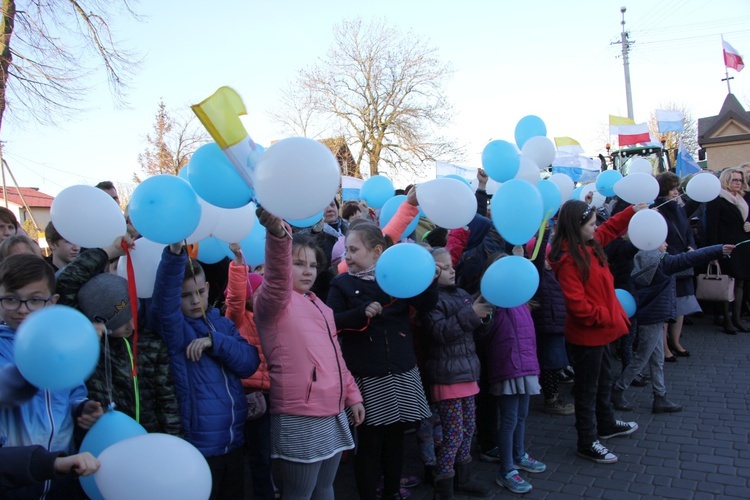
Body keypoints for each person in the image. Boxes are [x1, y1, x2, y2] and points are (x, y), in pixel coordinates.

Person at [252, 209, 364, 500]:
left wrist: (352, 396)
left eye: (312, 265)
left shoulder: (321, 305)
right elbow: (276, 281)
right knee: (299, 493)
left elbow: (336, 359)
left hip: (333, 409)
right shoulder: (272, 303)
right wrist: (278, 238)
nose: (307, 271)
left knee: (325, 488)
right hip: (299, 413)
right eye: (298, 263)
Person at [327, 219, 438, 500]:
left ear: (377, 252)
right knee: (370, 442)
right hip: (368, 374)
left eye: (354, 250)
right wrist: (360, 312)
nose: (347, 256)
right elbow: (331, 322)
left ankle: (390, 492)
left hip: (401, 370)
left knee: (396, 439)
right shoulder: (341, 283)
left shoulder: (396, 277)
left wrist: (429, 278)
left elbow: (426, 305)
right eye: (346, 250)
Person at [149, 241, 260, 499]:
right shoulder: (175, 330)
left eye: (200, 291)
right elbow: (164, 301)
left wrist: (215, 342)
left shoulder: (221, 325)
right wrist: (175, 253)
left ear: (208, 288)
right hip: (200, 448)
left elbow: (249, 362)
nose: (195, 301)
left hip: (233, 441)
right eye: (186, 295)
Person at [549, 200, 649, 464]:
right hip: (588, 336)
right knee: (587, 389)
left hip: (601, 332)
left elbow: (611, 228)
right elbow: (578, 306)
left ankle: (605, 424)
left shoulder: (589, 244)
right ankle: (587, 440)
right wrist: (607, 315)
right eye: (592, 224)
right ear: (577, 227)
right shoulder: (570, 260)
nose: (597, 228)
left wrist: (632, 211)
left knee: (603, 381)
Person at [0, 254, 103, 498]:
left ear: (52, 301)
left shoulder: (60, 345)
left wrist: (83, 408)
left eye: (35, 300)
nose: (22, 309)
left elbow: (72, 392)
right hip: (13, 481)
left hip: (62, 476)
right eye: (11, 299)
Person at [55, 238, 182, 435]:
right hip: (108, 442)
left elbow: (167, 402)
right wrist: (109, 251)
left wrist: (175, 440)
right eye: (121, 321)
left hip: (151, 440)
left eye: (133, 315)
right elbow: (67, 282)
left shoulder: (152, 343)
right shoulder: (92, 348)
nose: (132, 326)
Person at [611, 241, 734, 414]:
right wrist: (718, 249)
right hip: (654, 317)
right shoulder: (661, 263)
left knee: (657, 359)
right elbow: (690, 258)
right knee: (642, 358)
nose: (667, 244)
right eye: (662, 240)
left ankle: (660, 396)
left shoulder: (642, 260)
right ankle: (618, 389)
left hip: (651, 316)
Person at [420, 248, 492, 499]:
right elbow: (439, 333)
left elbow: (473, 332)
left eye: (452, 266)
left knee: (468, 429)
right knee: (453, 435)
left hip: (468, 372)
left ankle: (464, 477)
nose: (452, 270)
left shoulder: (461, 294)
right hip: (448, 376)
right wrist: (471, 314)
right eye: (445, 267)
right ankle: (444, 485)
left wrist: (483, 317)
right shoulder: (430, 301)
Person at [484, 255, 546, 494]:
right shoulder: (493, 303)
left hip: (527, 367)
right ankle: (507, 469)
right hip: (507, 368)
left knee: (522, 415)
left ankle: (519, 455)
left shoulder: (523, 301)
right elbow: (486, 334)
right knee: (509, 419)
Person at [226, 242, 275, 500]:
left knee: (269, 452)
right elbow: (233, 299)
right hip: (249, 394)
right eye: (255, 292)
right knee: (258, 454)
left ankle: (271, 488)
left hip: (272, 394)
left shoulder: (273, 318)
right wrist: (238, 265)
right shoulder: (238, 318)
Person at [526, 234, 574, 416]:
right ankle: (551, 399)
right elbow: (537, 257)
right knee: (550, 365)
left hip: (556, 324)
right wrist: (543, 232)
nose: (549, 260)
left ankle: (554, 396)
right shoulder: (537, 274)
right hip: (547, 326)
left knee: (554, 364)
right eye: (545, 257)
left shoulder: (551, 273)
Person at [653, 173, 699, 359]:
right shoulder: (657, 208)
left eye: (676, 188)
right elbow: (659, 235)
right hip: (669, 259)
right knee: (667, 306)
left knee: (681, 303)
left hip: (683, 258)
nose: (676, 192)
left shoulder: (679, 208)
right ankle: (664, 347)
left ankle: (676, 341)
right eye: (672, 188)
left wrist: (692, 247)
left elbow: (687, 231)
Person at [704, 167, 750, 334]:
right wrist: (713, 252)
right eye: (734, 180)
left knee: (741, 282)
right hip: (725, 248)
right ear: (726, 181)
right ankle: (727, 319)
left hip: (743, 246)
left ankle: (737, 318)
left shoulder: (742, 200)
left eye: (740, 180)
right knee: (727, 284)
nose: (738, 183)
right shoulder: (717, 200)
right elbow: (711, 228)